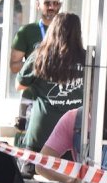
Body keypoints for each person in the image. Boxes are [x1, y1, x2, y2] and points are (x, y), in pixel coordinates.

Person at [15, 13, 85, 152]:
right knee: (69, 173)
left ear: (53, 29)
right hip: (74, 132)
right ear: (78, 32)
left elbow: (19, 85)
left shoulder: (40, 55)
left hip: (41, 130)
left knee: (34, 170)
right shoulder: (87, 58)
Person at [9, 0, 60, 74]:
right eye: (47, 3)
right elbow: (13, 67)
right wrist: (37, 64)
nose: (51, 7)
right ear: (38, 5)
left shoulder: (68, 31)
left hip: (58, 86)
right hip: (34, 86)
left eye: (55, 3)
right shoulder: (26, 31)